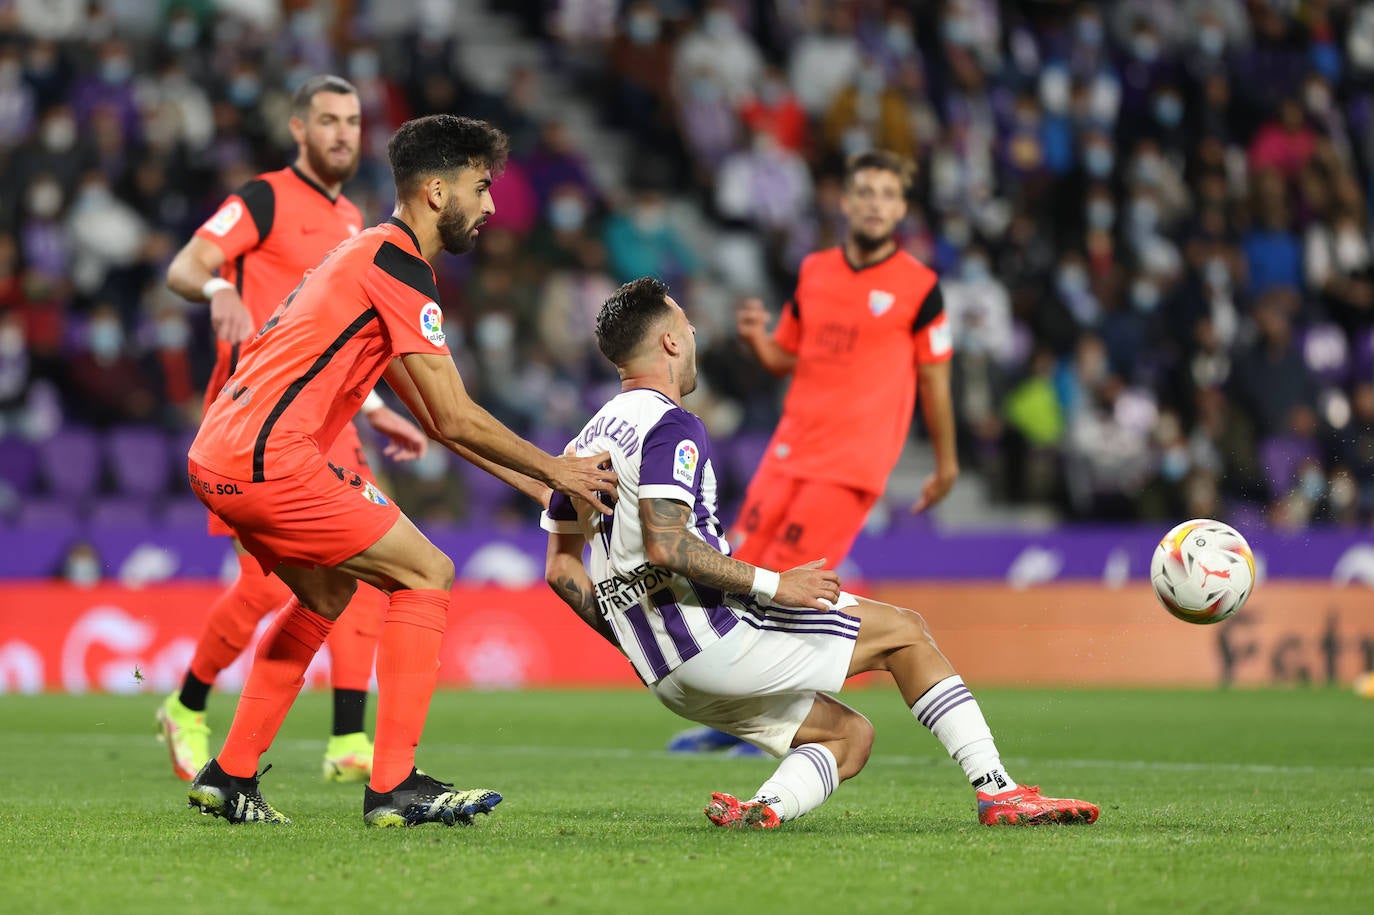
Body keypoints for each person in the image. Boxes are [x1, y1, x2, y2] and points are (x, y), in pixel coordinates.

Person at [183, 114, 618, 827]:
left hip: (219, 455)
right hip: (270, 459)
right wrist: (559, 467)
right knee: (429, 572)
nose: (491, 206)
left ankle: (229, 777)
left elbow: (432, 416)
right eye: (481, 188)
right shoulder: (398, 268)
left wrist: (539, 484)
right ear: (437, 190)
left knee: (326, 596)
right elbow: (454, 412)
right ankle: (393, 785)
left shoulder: (367, 254)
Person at [542, 277, 1097, 829]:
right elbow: (667, 542)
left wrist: (633, 637)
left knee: (848, 737)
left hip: (666, 674)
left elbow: (561, 567)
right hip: (716, 634)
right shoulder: (669, 425)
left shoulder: (580, 445)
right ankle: (997, 791)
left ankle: (763, 810)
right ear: (669, 342)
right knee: (906, 632)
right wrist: (774, 584)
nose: (693, 332)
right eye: (685, 323)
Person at [157, 75, 429, 785]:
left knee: (368, 572)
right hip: (255, 426)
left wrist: (371, 406)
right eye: (328, 120)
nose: (343, 132)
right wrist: (218, 288)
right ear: (299, 129)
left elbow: (335, 337)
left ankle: (347, 739)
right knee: (270, 587)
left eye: (352, 120)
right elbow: (186, 266)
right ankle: (187, 705)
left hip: (328, 420)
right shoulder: (265, 198)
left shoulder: (355, 224)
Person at [671, 148, 958, 754]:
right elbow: (786, 356)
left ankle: (785, 717)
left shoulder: (920, 288)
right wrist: (758, 340)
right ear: (845, 202)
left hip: (850, 463)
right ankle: (739, 715)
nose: (876, 203)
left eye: (888, 194)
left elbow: (935, 378)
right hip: (789, 448)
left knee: (797, 588)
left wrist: (947, 462)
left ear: (902, 208)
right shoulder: (815, 271)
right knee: (745, 573)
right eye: (866, 192)